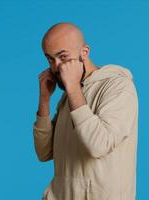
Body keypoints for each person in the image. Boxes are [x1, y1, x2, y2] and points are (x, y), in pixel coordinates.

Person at [33, 22, 139, 200]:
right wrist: (44, 99)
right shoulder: (70, 96)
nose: (56, 66)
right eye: (50, 59)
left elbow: (98, 145)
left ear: (84, 52)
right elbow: (44, 152)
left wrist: (73, 88)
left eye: (63, 57)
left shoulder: (118, 87)